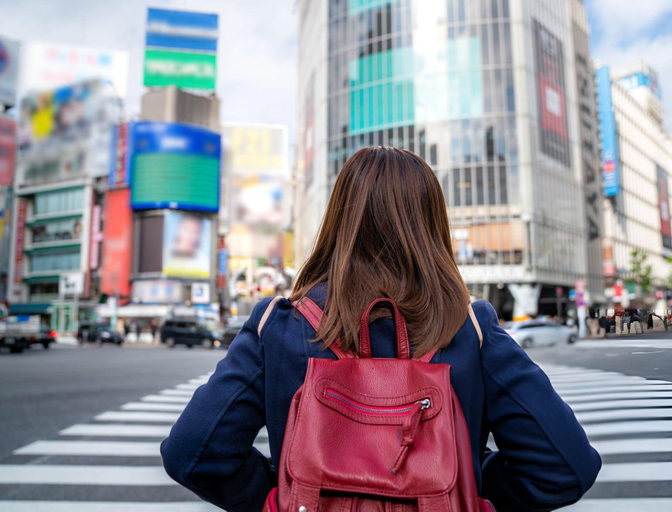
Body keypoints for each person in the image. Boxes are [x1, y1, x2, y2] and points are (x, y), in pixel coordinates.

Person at [160, 147, 601, 511]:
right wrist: (467, 482)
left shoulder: (280, 324)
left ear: (339, 220)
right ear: (431, 226)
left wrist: (279, 493)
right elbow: (566, 467)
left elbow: (192, 453)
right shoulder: (469, 329)